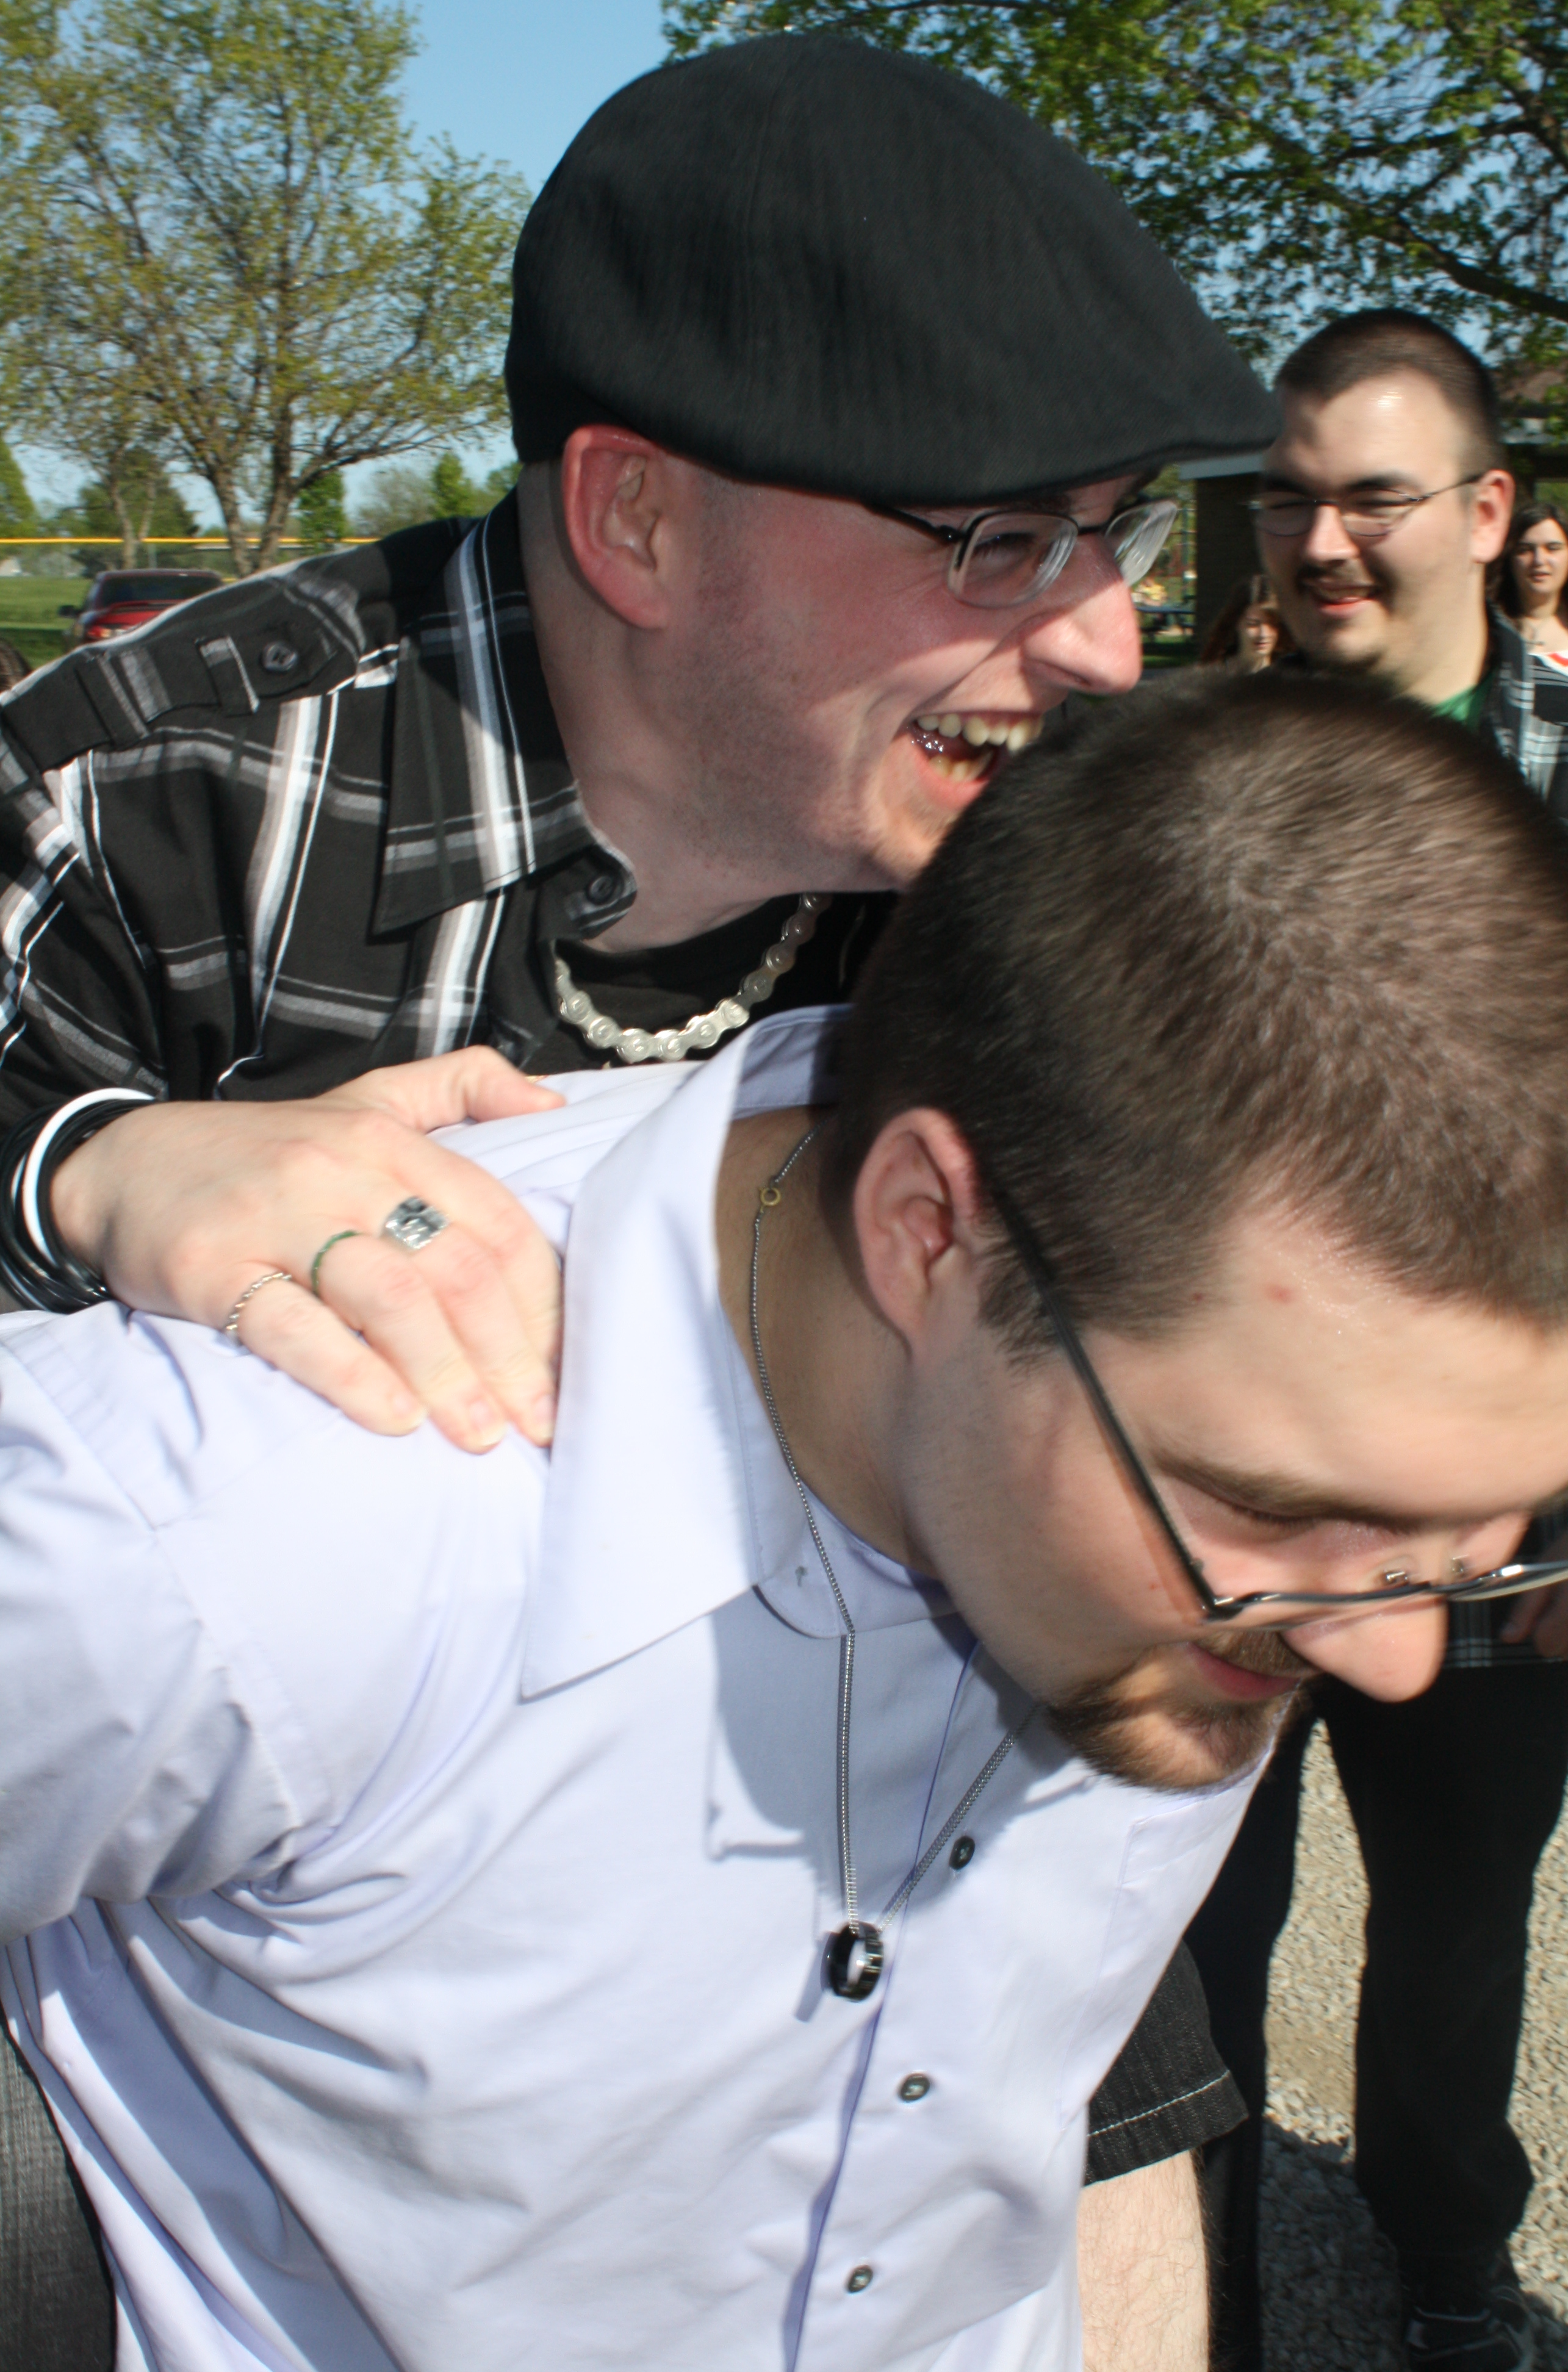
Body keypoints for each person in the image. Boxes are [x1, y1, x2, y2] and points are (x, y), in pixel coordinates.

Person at [0, 35, 1279, 2367]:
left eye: (1117, 531)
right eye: (996, 539)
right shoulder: (142, 804)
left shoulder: (1031, 857)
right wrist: (78, 1164)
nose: (1101, 637)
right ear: (638, 521)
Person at [10, 674, 1568, 2371]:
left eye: (1484, 1533)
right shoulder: (258, 1535)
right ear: (927, 1233)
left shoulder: (1211, 1441)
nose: (1396, 1657)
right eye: (1274, 1514)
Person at [1188, 307, 1568, 2372]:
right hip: (1222, 1505)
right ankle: (1199, 2294)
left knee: (1455, 1925)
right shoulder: (1188, 787)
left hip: (1514, 1522)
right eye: (1286, 498)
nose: (1320, 540)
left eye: (1372, 497)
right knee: (1189, 1933)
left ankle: (1446, 2263)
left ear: (1490, 510)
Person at [1497, 501, 1568, 677]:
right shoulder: (1489, 630)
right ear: (1510, 559)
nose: (1539, 560)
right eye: (1525, 550)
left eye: (1553, 548)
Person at [1197, 573, 1290, 670]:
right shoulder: (1214, 675)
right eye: (1253, 624)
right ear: (1236, 623)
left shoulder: (1290, 676)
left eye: (1272, 624)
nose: (1263, 634)